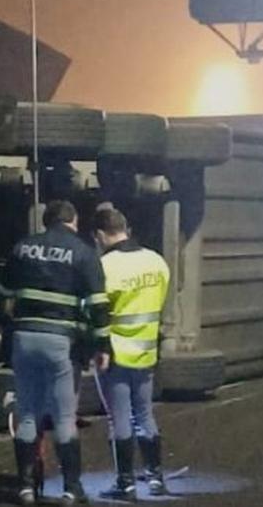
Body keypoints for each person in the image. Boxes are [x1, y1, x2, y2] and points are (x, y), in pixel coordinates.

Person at [3, 200, 111, 505]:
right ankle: (70, 488)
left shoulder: (23, 247)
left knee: (27, 414)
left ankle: (25, 488)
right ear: (72, 222)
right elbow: (98, 305)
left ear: (46, 221)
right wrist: (102, 346)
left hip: (24, 339)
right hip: (60, 341)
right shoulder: (83, 253)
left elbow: (4, 292)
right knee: (64, 418)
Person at [93, 207, 171, 499]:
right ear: (127, 228)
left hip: (115, 354)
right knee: (145, 415)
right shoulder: (157, 262)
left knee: (119, 419)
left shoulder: (105, 266)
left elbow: (98, 311)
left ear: (101, 235)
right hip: (147, 352)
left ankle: (125, 483)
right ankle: (156, 479)